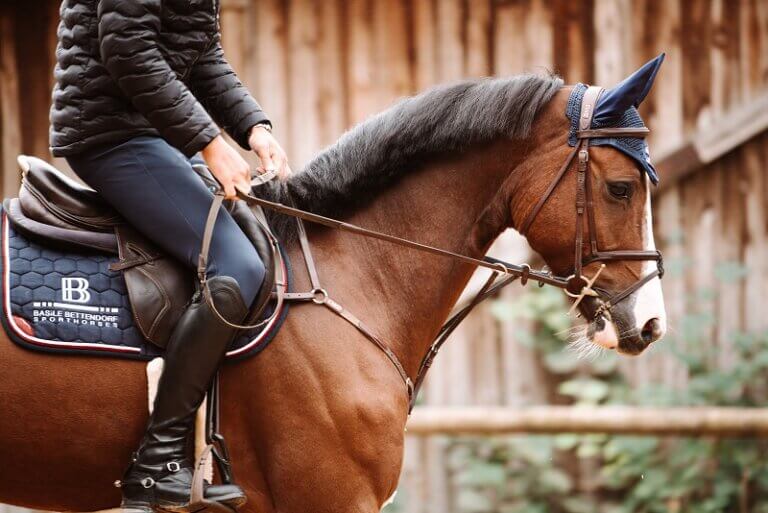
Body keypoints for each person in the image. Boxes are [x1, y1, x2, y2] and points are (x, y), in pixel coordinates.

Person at [49, 1, 289, 511]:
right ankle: (158, 462)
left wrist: (254, 127)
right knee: (238, 267)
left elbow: (200, 51)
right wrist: (209, 143)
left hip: (151, 132)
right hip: (110, 132)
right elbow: (128, 49)